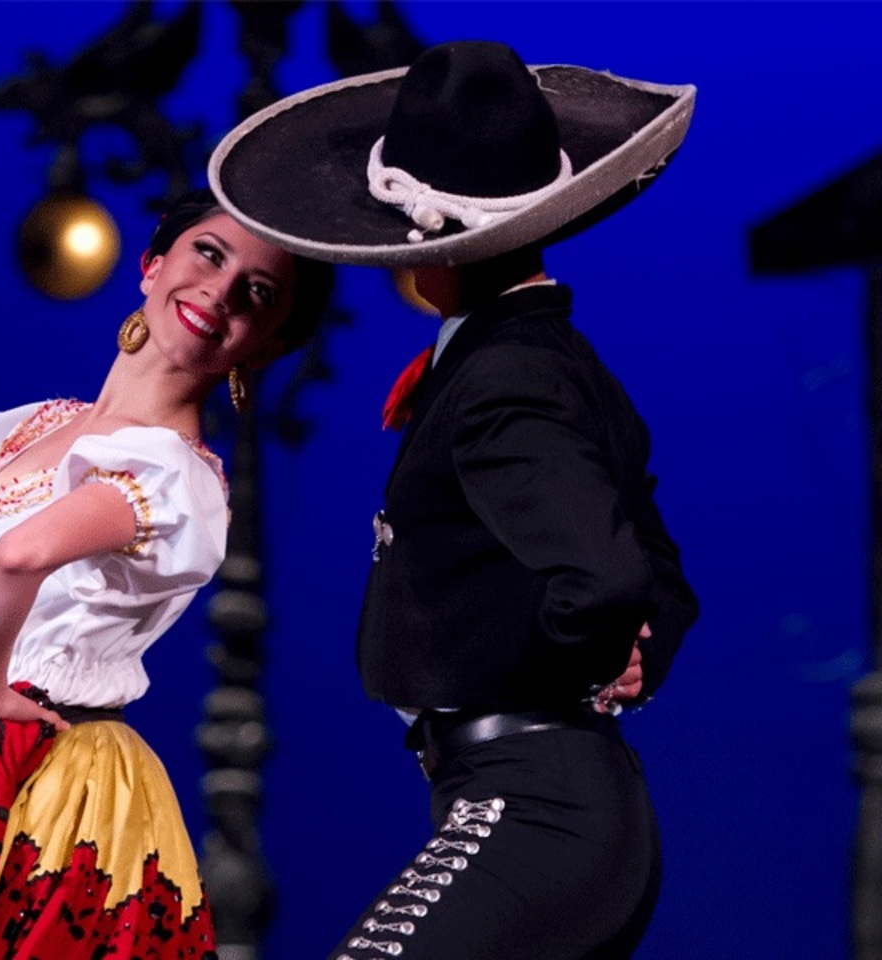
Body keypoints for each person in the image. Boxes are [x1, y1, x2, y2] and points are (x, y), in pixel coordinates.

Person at [209, 41, 700, 959]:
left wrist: (578, 663)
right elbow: (658, 579)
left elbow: (610, 580)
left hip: (537, 806)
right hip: (545, 802)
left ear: (421, 239)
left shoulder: (505, 378)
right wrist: (622, 654)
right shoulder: (544, 358)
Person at [0, 189, 334, 959]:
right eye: (209, 254)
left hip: (68, 782)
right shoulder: (40, 426)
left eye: (259, 293)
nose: (221, 291)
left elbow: (20, 554)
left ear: (265, 346)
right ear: (152, 265)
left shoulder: (174, 472)